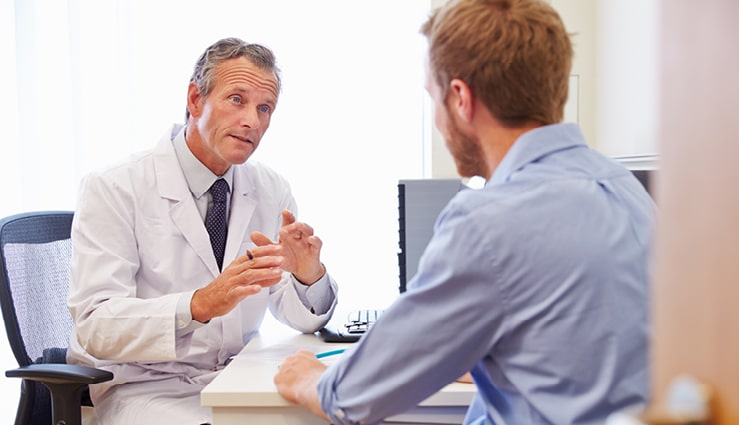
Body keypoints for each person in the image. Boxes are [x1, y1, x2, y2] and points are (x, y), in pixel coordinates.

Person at [274, 0, 655, 424]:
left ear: (460, 98)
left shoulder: (488, 222)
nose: (436, 121)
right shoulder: (630, 194)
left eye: (432, 98)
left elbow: (355, 396)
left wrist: (308, 377)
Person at [66, 37, 338, 425]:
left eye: (265, 108)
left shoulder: (270, 188)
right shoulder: (114, 186)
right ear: (196, 99)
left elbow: (297, 313)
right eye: (237, 100)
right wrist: (199, 305)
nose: (253, 121)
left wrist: (308, 275)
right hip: (144, 388)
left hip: (235, 379)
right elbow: (96, 325)